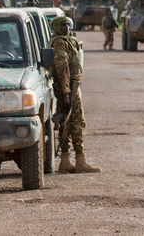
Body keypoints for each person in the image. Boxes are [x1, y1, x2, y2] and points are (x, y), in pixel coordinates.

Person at [48, 17, 101, 173]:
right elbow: (62, 69)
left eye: (68, 25)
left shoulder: (65, 40)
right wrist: (66, 92)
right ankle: (80, 160)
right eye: (63, 25)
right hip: (68, 89)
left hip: (68, 88)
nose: (67, 27)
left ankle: (65, 162)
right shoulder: (60, 42)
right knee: (76, 122)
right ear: (57, 27)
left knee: (66, 122)